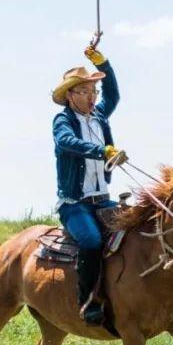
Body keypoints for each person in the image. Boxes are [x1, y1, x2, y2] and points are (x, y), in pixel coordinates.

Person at [52, 46, 126, 325]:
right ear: (70, 95)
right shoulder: (63, 120)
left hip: (102, 199)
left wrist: (102, 62)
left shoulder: (99, 117)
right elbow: (66, 142)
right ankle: (88, 302)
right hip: (75, 205)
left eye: (94, 91)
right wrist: (103, 151)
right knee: (92, 241)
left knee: (137, 228)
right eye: (85, 91)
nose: (92, 97)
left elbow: (114, 94)